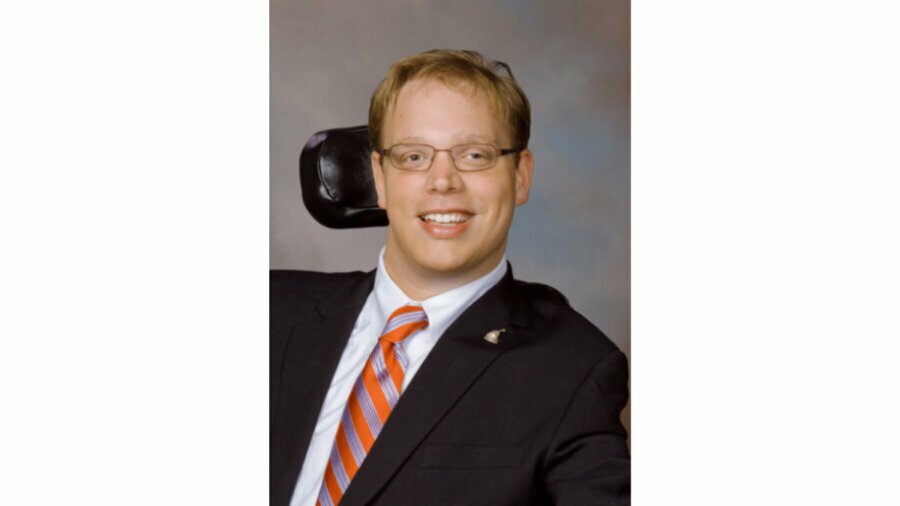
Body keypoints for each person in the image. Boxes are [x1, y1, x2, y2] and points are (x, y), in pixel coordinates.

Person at [271, 49, 630, 506]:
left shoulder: (572, 370)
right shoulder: (271, 312)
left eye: (475, 155)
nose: (443, 181)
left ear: (520, 176)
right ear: (379, 176)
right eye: (414, 155)